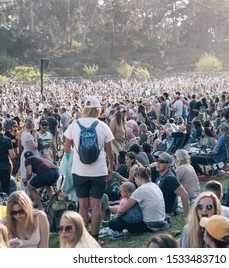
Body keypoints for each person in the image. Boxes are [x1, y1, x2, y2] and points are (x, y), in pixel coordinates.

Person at [64, 96, 114, 243]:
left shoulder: (74, 125)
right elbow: (109, 150)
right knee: (96, 204)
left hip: (80, 170)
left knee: (83, 205)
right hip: (99, 170)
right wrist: (110, 166)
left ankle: (83, 239)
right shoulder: (102, 126)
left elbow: (66, 149)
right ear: (98, 109)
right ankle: (95, 238)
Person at [109, 167, 168, 233]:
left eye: (135, 179)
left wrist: (116, 217)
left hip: (149, 224)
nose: (135, 181)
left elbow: (122, 210)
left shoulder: (141, 190)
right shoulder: (155, 185)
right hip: (162, 220)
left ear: (137, 176)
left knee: (112, 223)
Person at [156, 152, 189, 216]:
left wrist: (187, 216)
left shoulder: (169, 178)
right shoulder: (162, 173)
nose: (157, 163)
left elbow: (184, 194)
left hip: (165, 212)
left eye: (161, 161)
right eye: (157, 160)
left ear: (168, 165)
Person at [20, 118, 40, 191]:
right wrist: (36, 139)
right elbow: (34, 147)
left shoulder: (23, 133)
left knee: (25, 171)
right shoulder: (28, 135)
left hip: (25, 152)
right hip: (30, 154)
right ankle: (29, 190)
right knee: (30, 171)